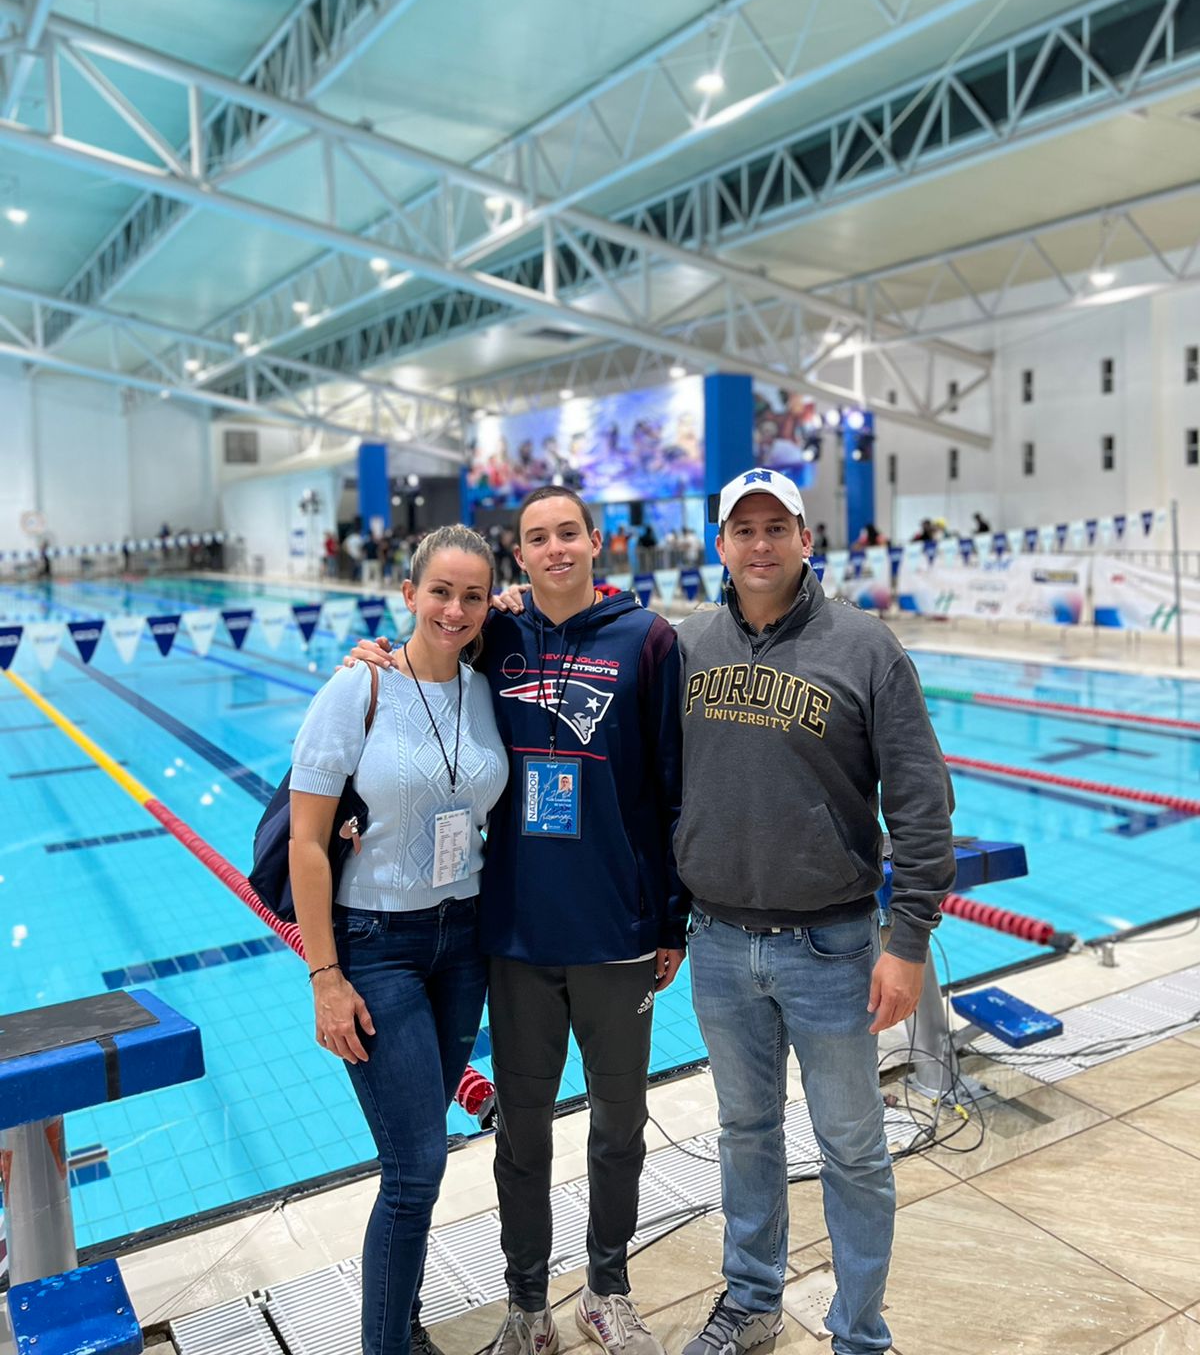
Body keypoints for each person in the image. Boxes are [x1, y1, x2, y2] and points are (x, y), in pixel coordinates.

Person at [350, 487, 687, 1355]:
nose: (554, 549)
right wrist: (376, 659)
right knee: (522, 1134)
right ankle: (526, 1304)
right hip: (516, 936)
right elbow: (429, 656)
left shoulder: (646, 640)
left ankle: (607, 1289)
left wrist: (671, 920)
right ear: (521, 554)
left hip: (616, 933)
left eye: (567, 533)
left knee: (620, 1125)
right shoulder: (495, 632)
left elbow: (671, 786)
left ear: (595, 540)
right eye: (536, 538)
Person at [674, 467, 955, 1355]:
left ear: (805, 539)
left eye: (776, 528)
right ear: (719, 544)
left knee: (854, 1150)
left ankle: (859, 1333)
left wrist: (906, 940)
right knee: (744, 1133)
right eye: (742, 530)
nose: (759, 545)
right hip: (718, 943)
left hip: (833, 947)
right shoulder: (685, 648)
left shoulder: (866, 647)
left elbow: (920, 800)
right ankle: (752, 1300)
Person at [289, 526, 509, 1355]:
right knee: (415, 1165)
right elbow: (309, 844)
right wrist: (325, 976)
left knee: (425, 1164)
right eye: (440, 592)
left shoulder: (487, 688)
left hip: (465, 941)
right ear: (407, 593)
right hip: (376, 942)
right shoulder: (360, 688)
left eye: (474, 595)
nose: (455, 609)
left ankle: (401, 1326)